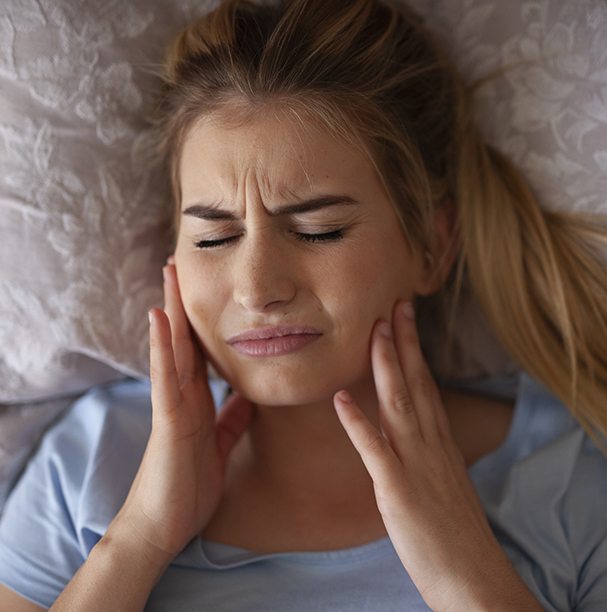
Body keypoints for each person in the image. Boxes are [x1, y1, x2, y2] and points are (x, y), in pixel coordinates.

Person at [1, 0, 606, 609]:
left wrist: (465, 575)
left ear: (432, 245)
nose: (256, 288)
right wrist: (138, 541)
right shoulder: (88, 464)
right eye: (214, 238)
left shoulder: (571, 486)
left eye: (319, 230)